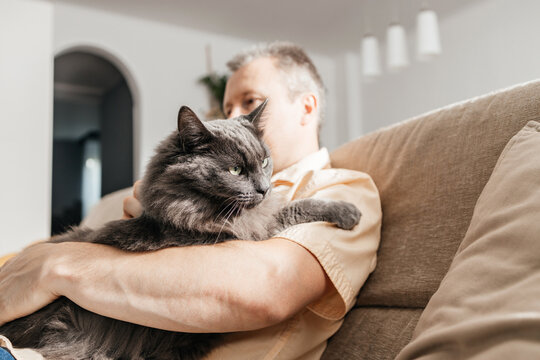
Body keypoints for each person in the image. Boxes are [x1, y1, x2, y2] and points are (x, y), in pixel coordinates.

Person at [0, 42, 381, 359]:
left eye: (249, 101)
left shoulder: (340, 187)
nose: (235, 117)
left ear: (307, 107)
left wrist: (56, 266)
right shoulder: (210, 181)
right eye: (228, 106)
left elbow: (265, 288)